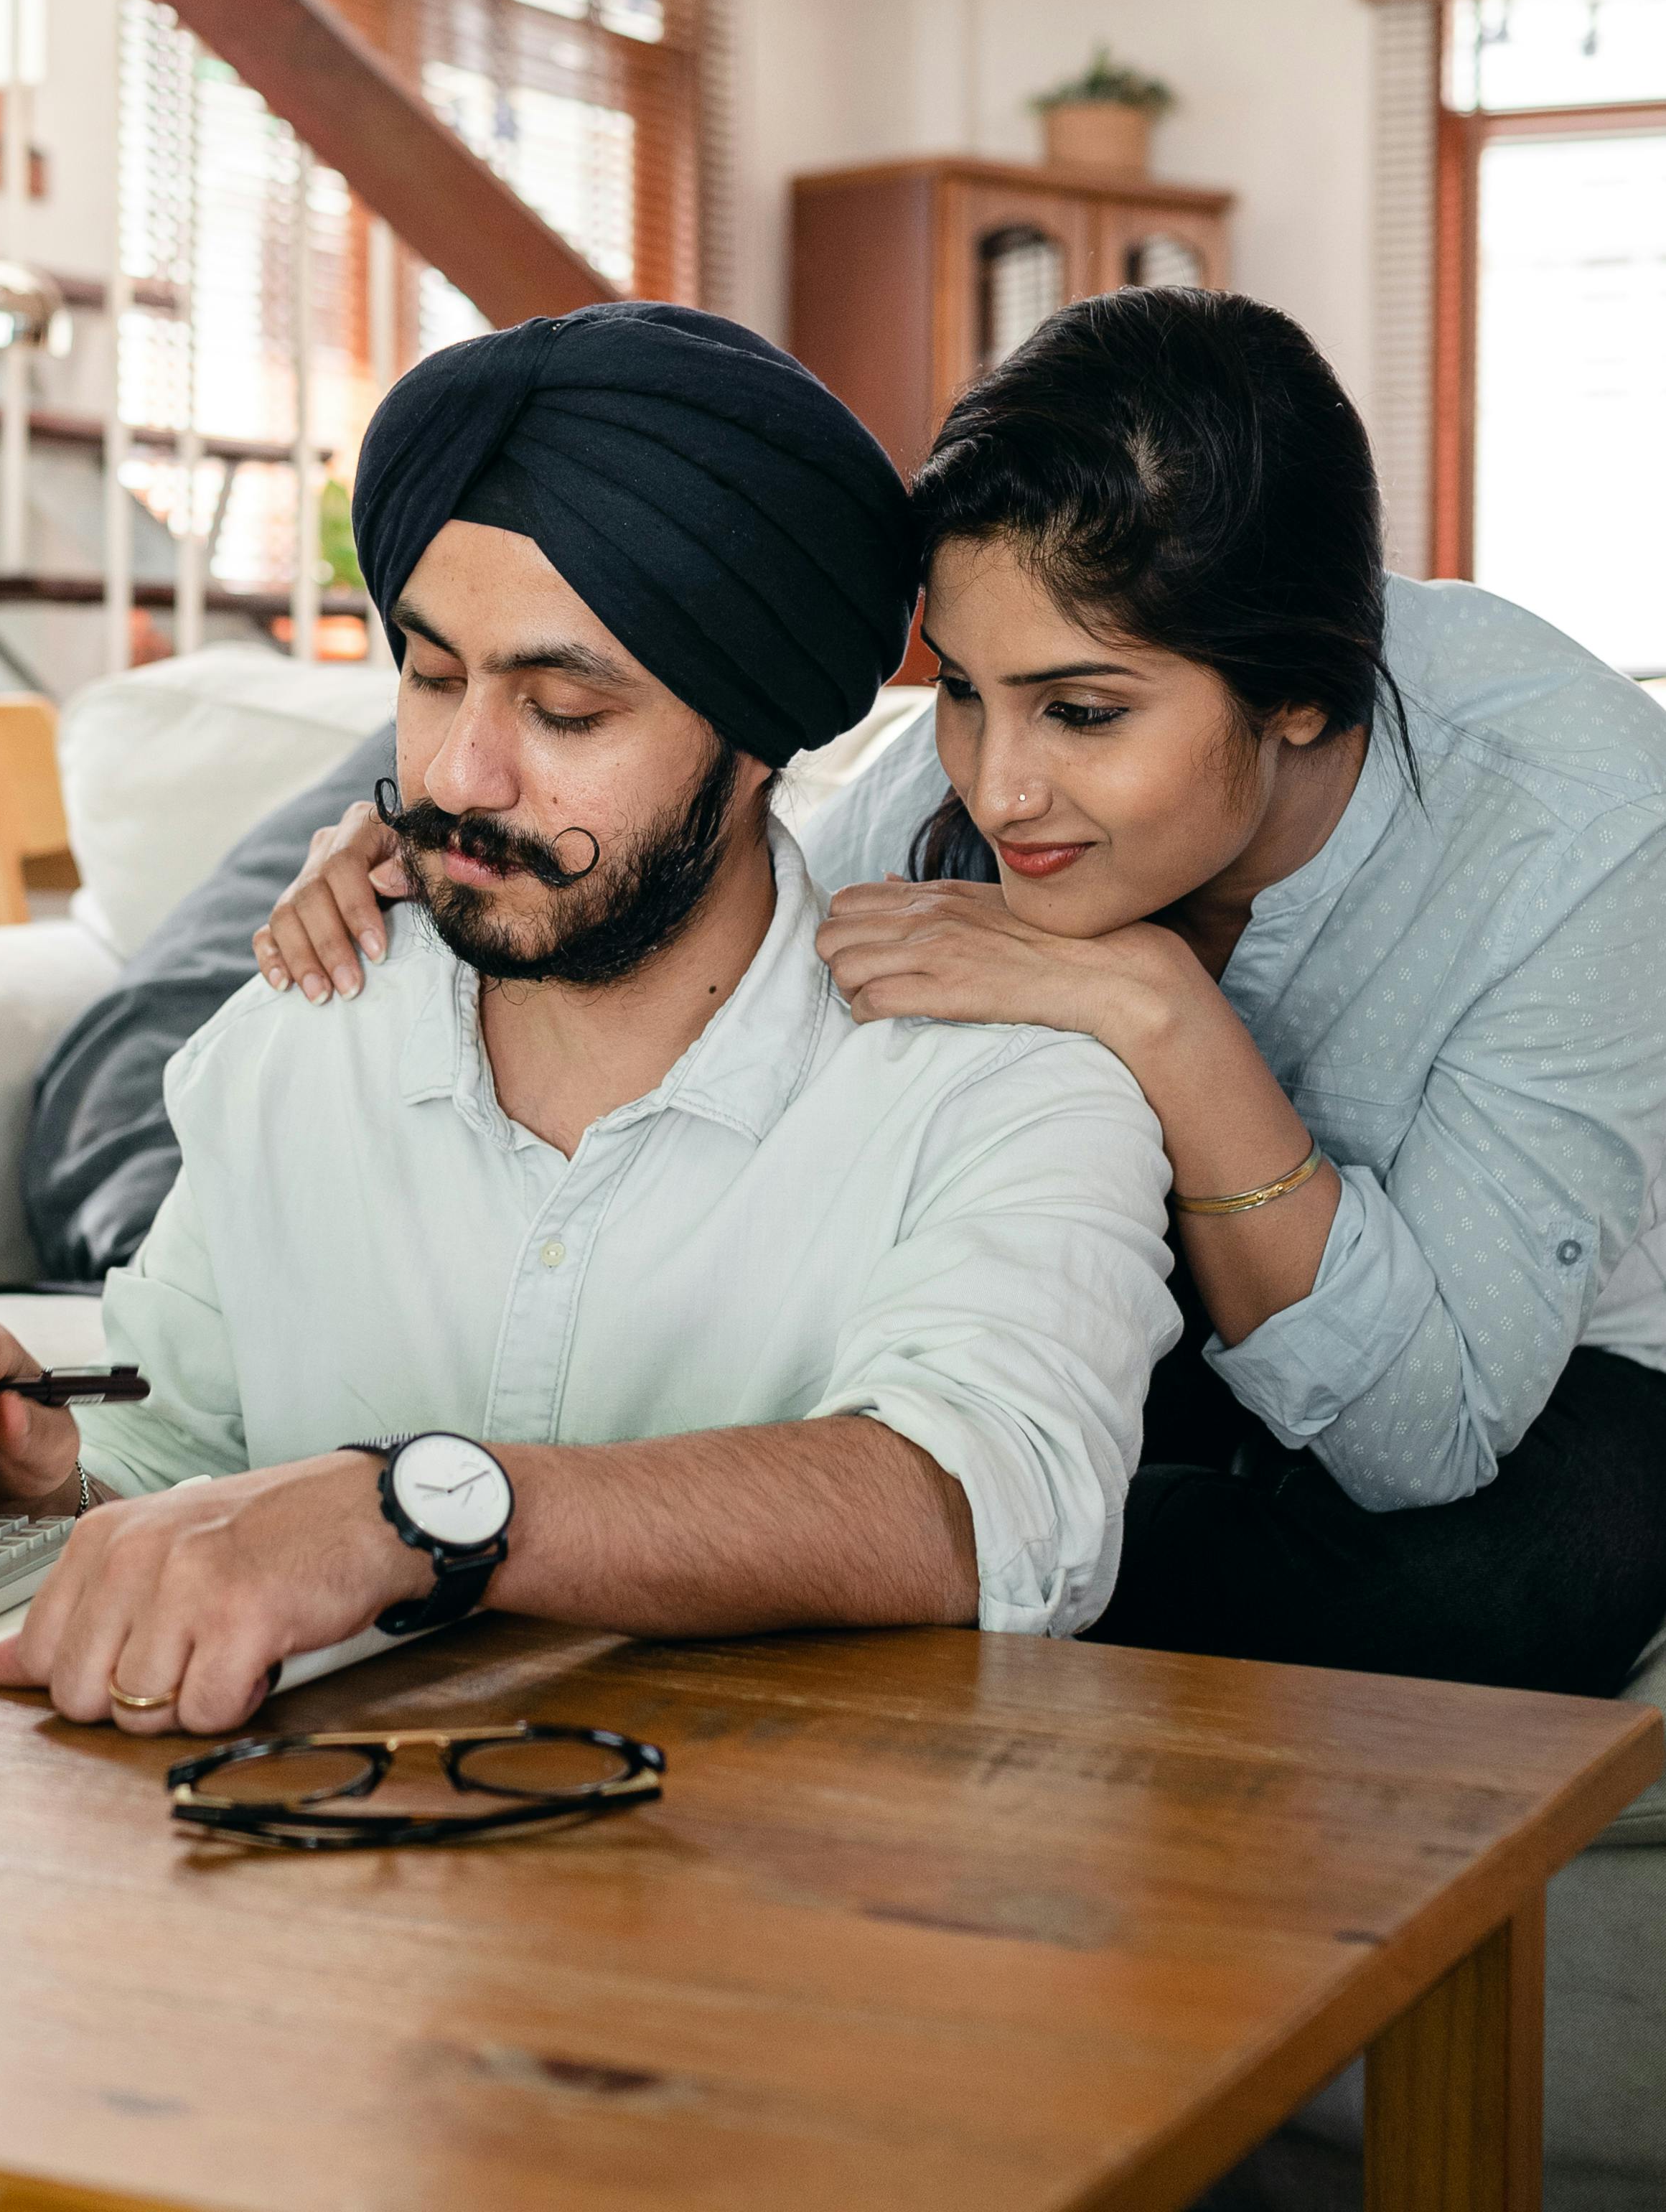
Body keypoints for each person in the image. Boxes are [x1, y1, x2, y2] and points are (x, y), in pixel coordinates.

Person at [0, 302, 1177, 1735]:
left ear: (756, 738)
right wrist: (41, 1466)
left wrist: (414, 1510)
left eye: (564, 710)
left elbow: (991, 1507)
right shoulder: (309, 1025)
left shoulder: (1006, 1087)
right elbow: (184, 1431)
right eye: (431, 675)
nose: (462, 773)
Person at [266, 289, 1666, 1700]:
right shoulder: (943, 795)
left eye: (1083, 711)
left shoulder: (1583, 824)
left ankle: (1005, 1564)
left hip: (1524, 1365)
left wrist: (1159, 1012)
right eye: (960, 692)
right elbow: (725, 956)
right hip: (1144, 1301)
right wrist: (460, 858)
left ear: (1298, 692)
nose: (994, 788)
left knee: (1493, 1599)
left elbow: (1422, 1436)